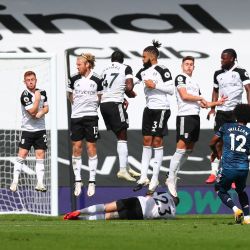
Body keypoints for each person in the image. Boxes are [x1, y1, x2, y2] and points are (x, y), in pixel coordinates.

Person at [166, 56, 227, 197]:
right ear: (182, 66)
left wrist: (218, 102)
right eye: (186, 64)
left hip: (195, 117)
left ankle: (173, 173)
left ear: (194, 67)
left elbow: (204, 104)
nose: (188, 66)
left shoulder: (194, 82)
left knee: (189, 149)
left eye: (191, 64)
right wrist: (200, 98)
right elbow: (184, 96)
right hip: (185, 117)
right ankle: (170, 178)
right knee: (180, 149)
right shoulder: (180, 78)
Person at [133, 40, 174, 194]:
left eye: (144, 57)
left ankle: (155, 178)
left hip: (161, 109)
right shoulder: (142, 71)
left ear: (152, 56)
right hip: (149, 109)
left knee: (157, 141)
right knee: (146, 141)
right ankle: (144, 176)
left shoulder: (162, 69)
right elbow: (130, 83)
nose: (142, 59)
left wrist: (154, 85)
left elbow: (171, 89)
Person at [206, 48, 250, 184]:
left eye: (224, 58)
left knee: (234, 144)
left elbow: (248, 89)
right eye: (221, 58)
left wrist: (248, 108)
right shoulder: (217, 73)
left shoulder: (241, 72)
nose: (221, 60)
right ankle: (213, 172)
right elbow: (215, 90)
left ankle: (232, 176)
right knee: (218, 142)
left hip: (235, 112)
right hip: (221, 112)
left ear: (231, 58)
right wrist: (212, 108)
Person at [100, 51, 140, 182]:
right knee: (123, 137)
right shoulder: (125, 68)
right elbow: (128, 87)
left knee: (119, 136)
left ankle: (127, 167)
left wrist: (127, 94)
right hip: (115, 104)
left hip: (104, 105)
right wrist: (132, 91)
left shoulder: (104, 70)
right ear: (122, 60)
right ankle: (122, 169)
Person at [67, 53, 103, 197]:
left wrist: (92, 106)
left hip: (91, 117)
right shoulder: (73, 78)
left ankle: (92, 181)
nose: (77, 66)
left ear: (87, 64)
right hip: (76, 117)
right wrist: (75, 104)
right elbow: (69, 94)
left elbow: (100, 96)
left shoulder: (97, 79)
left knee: (91, 147)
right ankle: (78, 180)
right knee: (76, 147)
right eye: (76, 64)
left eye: (79, 64)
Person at [210, 104, 250, 224]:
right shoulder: (249, 132)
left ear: (236, 115)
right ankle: (248, 218)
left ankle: (235, 209)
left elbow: (212, 142)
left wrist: (214, 152)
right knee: (241, 190)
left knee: (219, 189)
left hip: (228, 167)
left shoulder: (226, 126)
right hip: (243, 168)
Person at [10, 71, 49, 192]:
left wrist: (42, 112)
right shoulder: (25, 95)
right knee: (22, 155)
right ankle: (15, 182)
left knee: (40, 155)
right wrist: (37, 100)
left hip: (40, 130)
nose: (31, 82)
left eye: (32, 79)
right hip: (28, 130)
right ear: (25, 82)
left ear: (36, 80)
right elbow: (32, 112)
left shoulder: (43, 92)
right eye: (28, 80)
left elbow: (47, 107)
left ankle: (40, 183)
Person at [63, 191, 179, 220]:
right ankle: (81, 219)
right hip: (141, 214)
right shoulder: (172, 214)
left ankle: (79, 211)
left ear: (173, 197)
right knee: (111, 216)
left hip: (138, 201)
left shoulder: (165, 194)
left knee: (106, 206)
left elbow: (149, 194)